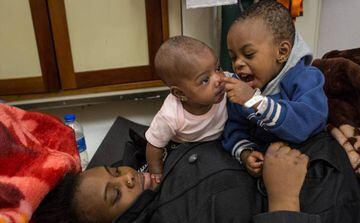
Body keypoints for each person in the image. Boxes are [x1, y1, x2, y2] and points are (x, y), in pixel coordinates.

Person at [33, 141, 318, 223]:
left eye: (115, 171)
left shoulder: (155, 170)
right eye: (115, 195)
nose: (128, 177)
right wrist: (284, 199)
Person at [221, 0, 328, 177]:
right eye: (233, 57)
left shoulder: (307, 78)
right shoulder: (242, 91)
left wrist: (255, 101)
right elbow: (234, 128)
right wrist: (246, 153)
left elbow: (304, 124)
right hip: (267, 165)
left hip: (307, 160)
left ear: (282, 52)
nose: (238, 64)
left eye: (248, 54)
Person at [144, 36, 227, 183]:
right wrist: (156, 175)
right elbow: (154, 146)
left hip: (222, 143)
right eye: (205, 80)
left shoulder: (228, 85)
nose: (219, 79)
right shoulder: (170, 115)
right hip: (188, 150)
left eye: (218, 68)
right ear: (180, 93)